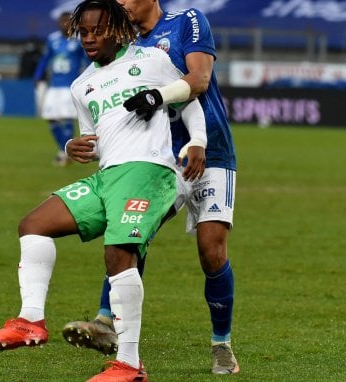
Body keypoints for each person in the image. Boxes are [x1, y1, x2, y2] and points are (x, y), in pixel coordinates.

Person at [0, 1, 206, 380]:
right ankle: (30, 321)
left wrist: (196, 140)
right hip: (107, 176)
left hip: (148, 171)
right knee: (33, 224)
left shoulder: (151, 60)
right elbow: (96, 140)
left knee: (118, 253)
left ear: (117, 30)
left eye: (96, 30)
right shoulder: (81, 85)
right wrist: (73, 147)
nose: (88, 38)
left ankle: (130, 364)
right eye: (83, 32)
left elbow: (188, 99)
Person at [62, 0, 239, 375]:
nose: (120, 3)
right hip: (155, 158)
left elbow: (199, 80)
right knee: (130, 230)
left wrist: (161, 102)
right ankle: (106, 321)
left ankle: (221, 343)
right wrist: (77, 144)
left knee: (212, 252)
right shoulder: (120, 42)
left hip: (210, 152)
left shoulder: (186, 21)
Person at [33, 11, 89, 167]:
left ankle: (64, 154)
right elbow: (45, 59)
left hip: (69, 86)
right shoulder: (53, 39)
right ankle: (64, 150)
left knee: (66, 118)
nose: (64, 25)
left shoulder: (79, 40)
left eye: (67, 22)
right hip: (54, 85)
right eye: (62, 22)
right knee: (51, 117)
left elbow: (87, 61)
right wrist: (38, 75)